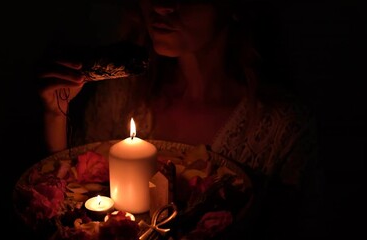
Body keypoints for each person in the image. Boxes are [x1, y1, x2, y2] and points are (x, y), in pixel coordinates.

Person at [35, 0, 324, 239]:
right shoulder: (122, 97)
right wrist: (55, 114)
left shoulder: (280, 128)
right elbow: (67, 200)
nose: (161, 6)